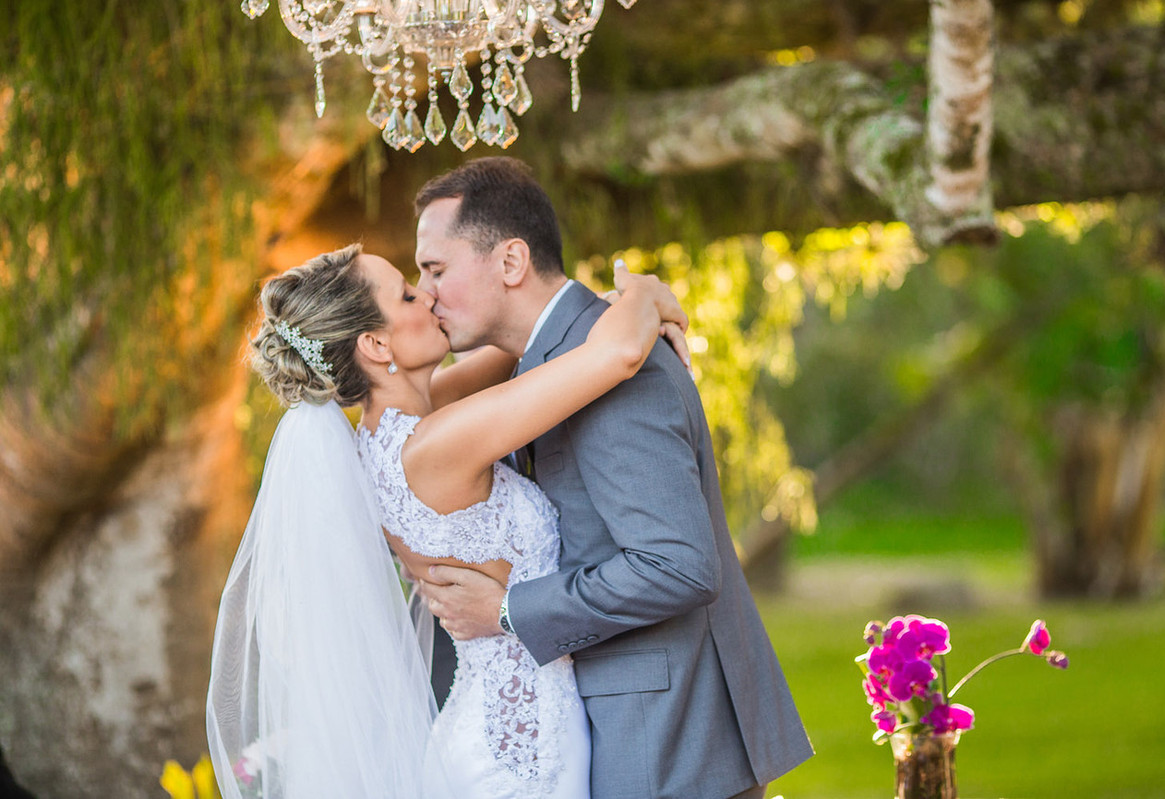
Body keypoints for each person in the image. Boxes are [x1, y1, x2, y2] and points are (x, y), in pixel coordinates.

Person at [206, 242, 688, 798]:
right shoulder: (435, 447)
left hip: (498, 723)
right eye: (409, 294)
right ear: (375, 342)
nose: (428, 293)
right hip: (520, 750)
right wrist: (646, 291)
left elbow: (528, 346)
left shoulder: (389, 435)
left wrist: (602, 304)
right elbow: (620, 354)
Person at [412, 157, 814, 799]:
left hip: (665, 740)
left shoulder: (614, 366)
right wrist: (640, 294)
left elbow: (678, 564)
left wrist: (509, 611)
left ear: (510, 262)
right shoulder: (561, 358)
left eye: (435, 270)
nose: (425, 293)